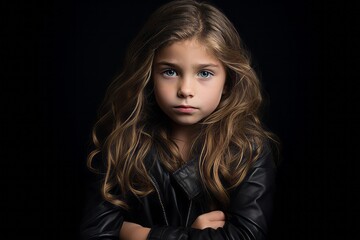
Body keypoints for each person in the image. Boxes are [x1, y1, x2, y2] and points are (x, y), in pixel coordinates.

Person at [80, 0, 279, 239]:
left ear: (228, 82)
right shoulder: (123, 141)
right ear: (149, 75)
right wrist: (191, 234)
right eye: (170, 71)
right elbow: (96, 234)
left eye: (204, 73)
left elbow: (246, 236)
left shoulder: (248, 149)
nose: (185, 89)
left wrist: (138, 234)